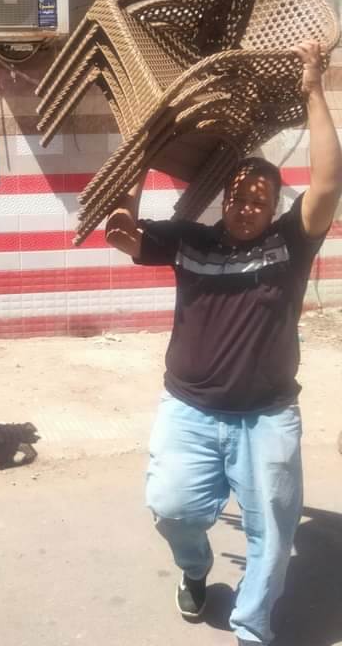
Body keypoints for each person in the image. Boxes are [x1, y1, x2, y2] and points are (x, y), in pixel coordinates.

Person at [105, 40, 342, 645]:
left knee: (274, 535)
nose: (247, 206)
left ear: (274, 206)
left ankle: (251, 630)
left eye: (260, 199)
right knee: (172, 509)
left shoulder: (289, 244)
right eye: (239, 196)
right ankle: (195, 569)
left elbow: (328, 179)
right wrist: (142, 152)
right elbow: (123, 235)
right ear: (224, 199)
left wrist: (314, 89)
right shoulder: (190, 239)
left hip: (266, 417)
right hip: (189, 410)